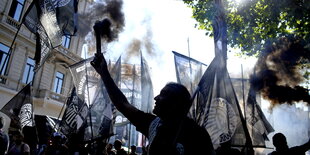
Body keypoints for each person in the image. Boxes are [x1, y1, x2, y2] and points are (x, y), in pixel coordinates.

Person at [91, 53, 215, 155]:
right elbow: (122, 104)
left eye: (163, 94)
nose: (156, 98)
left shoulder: (197, 134)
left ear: (176, 103)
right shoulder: (154, 124)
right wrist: (104, 73)